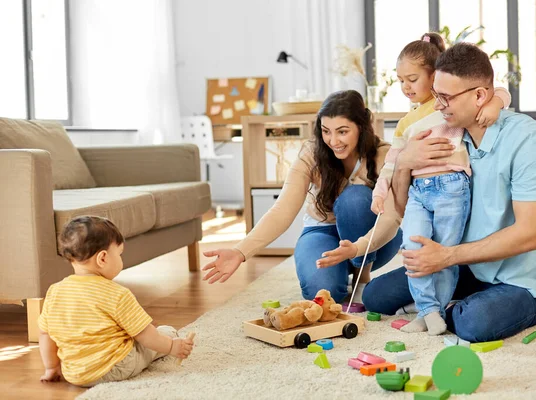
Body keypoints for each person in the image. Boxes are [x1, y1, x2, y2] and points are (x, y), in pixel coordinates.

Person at [362, 42, 536, 343]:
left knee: (474, 323)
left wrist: (445, 257)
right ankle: (448, 303)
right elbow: (402, 208)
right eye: (435, 94)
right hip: (467, 266)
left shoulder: (528, 141)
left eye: (444, 97)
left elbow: (530, 233)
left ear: (480, 96)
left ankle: (448, 309)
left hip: (521, 281)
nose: (437, 105)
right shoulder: (448, 135)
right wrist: (404, 163)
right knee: (376, 295)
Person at [202, 90, 404, 303]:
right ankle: (339, 274)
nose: (333, 141)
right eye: (326, 131)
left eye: (342, 132)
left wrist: (357, 248)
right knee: (323, 293)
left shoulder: (384, 154)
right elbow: (282, 210)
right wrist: (239, 252)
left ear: (361, 127)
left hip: (373, 239)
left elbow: (392, 217)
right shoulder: (312, 153)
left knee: (355, 199)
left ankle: (361, 278)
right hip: (322, 231)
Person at [370, 33, 511, 335]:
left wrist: (495, 105)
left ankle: (434, 311)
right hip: (419, 193)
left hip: (451, 186)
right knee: (413, 249)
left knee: (444, 254)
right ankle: (428, 309)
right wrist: (380, 190)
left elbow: (495, 89)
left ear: (435, 77)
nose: (406, 87)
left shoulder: (449, 105)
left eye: (412, 79)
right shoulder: (408, 123)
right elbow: (392, 163)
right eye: (400, 81)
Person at [38, 216, 194, 387]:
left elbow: (45, 334)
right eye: (119, 254)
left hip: (74, 374)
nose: (121, 259)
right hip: (115, 367)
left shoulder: (54, 291)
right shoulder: (116, 293)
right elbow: (144, 334)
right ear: (103, 258)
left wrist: (52, 367)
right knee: (165, 332)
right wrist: (172, 347)